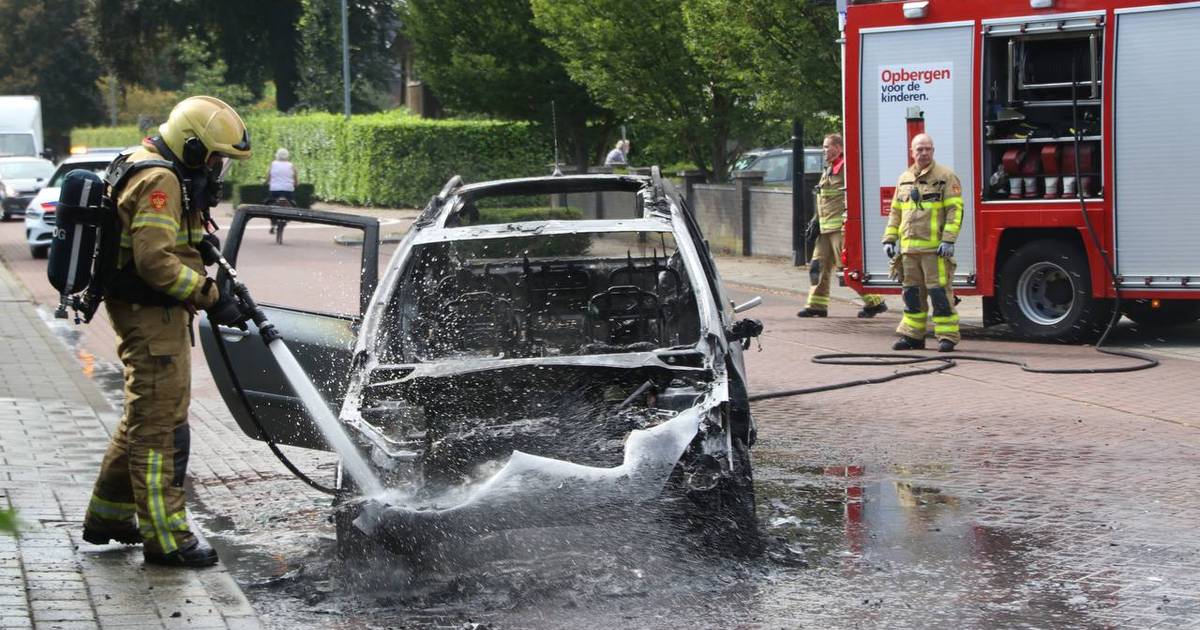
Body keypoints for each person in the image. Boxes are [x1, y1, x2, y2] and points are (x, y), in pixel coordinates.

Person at [81, 96, 252, 567]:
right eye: (214, 158)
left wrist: (197, 239)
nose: (216, 169)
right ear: (192, 147)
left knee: (143, 414)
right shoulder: (161, 180)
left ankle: (109, 517)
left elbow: (159, 237)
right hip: (152, 316)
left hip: (143, 312)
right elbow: (155, 261)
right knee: (161, 427)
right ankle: (167, 538)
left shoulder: (146, 161)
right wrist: (210, 295)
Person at [882, 133, 963, 352]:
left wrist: (948, 240)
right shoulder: (904, 179)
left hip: (935, 251)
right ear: (912, 152)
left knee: (939, 294)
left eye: (928, 149)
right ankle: (912, 336)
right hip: (909, 251)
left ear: (933, 151)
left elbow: (955, 210)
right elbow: (895, 212)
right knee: (912, 295)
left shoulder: (946, 177)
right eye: (919, 149)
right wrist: (889, 239)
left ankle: (947, 336)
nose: (924, 152)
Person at [797, 133, 888, 319]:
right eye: (823, 147)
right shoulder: (829, 169)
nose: (823, 150)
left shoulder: (846, 168)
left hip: (840, 228)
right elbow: (823, 199)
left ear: (838, 148)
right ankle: (817, 305)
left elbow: (856, 194)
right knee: (817, 266)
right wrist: (815, 220)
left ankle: (875, 302)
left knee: (847, 268)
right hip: (825, 229)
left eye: (827, 147)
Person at [266, 147, 297, 234]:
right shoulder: (291, 165)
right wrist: (295, 184)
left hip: (275, 190)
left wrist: (267, 182)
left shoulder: (273, 164)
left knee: (269, 204)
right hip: (288, 190)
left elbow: (268, 176)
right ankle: (287, 218)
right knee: (292, 203)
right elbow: (295, 177)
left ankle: (272, 224)